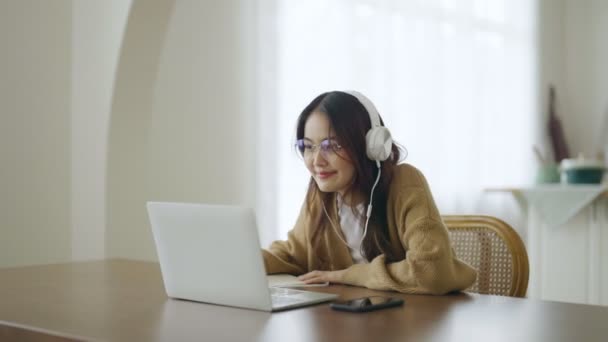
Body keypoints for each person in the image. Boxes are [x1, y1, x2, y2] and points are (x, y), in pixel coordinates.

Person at [262, 90, 477, 295]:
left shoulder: (405, 182)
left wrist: (349, 275)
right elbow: (293, 254)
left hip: (411, 322)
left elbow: (432, 271)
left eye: (332, 145)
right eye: (308, 146)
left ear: (368, 145)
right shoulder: (321, 195)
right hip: (345, 321)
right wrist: (241, 260)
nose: (317, 161)